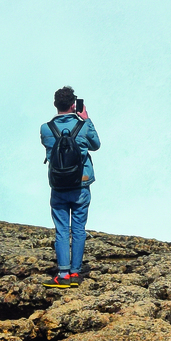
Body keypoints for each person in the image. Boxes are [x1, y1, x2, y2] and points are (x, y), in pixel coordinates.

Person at [41, 86, 100, 287]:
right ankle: (75, 274)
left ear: (55, 104)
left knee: (62, 230)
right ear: (74, 105)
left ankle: (63, 274)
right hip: (81, 184)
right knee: (79, 229)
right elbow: (96, 145)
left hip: (58, 186)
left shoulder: (45, 128)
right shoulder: (83, 126)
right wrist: (86, 119)